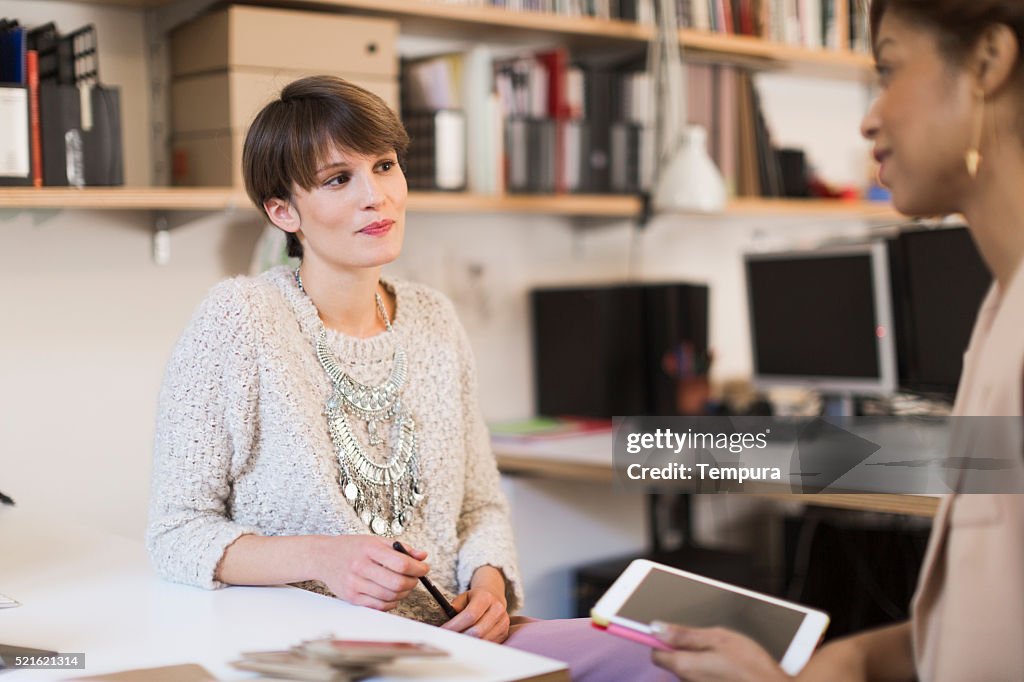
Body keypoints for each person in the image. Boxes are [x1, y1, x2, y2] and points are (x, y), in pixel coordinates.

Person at [146, 74, 672, 680]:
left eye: (386, 166)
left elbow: (481, 507)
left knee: (666, 654)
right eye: (339, 178)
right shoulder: (238, 320)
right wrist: (324, 558)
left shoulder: (433, 318)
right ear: (282, 210)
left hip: (455, 637)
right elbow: (176, 533)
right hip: (326, 652)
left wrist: (491, 585)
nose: (377, 196)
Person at [648, 1, 1024, 680]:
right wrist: (850, 661)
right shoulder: (1000, 311)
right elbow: (984, 622)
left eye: (888, 70)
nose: (868, 118)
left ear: (989, 62)